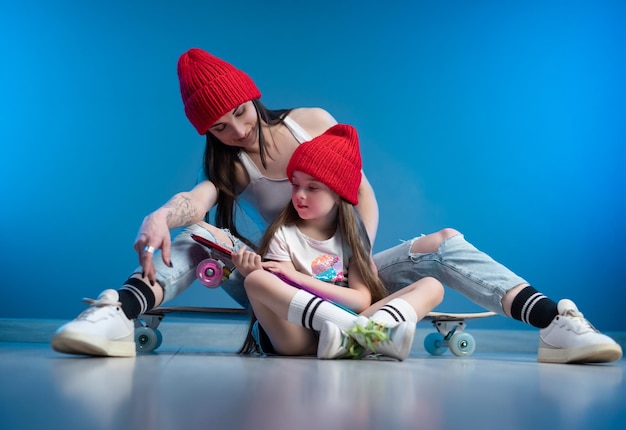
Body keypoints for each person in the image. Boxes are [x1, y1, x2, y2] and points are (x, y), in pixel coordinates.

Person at [51, 48, 622, 364]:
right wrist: (161, 215)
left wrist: (359, 259)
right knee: (194, 236)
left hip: (347, 265)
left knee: (444, 242)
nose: (235, 131)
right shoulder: (227, 166)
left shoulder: (311, 124)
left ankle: (554, 323)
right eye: (218, 127)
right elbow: (192, 202)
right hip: (284, 269)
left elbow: (362, 194)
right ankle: (116, 314)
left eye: (241, 114)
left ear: (253, 97)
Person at [231, 123, 444, 360]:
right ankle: (370, 335)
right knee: (257, 280)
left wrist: (298, 277)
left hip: (342, 323)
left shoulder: (351, 236)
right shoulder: (283, 235)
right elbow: (288, 297)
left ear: (338, 194)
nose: (300, 195)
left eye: (312, 187)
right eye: (295, 184)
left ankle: (354, 339)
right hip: (298, 337)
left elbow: (361, 299)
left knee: (432, 286)